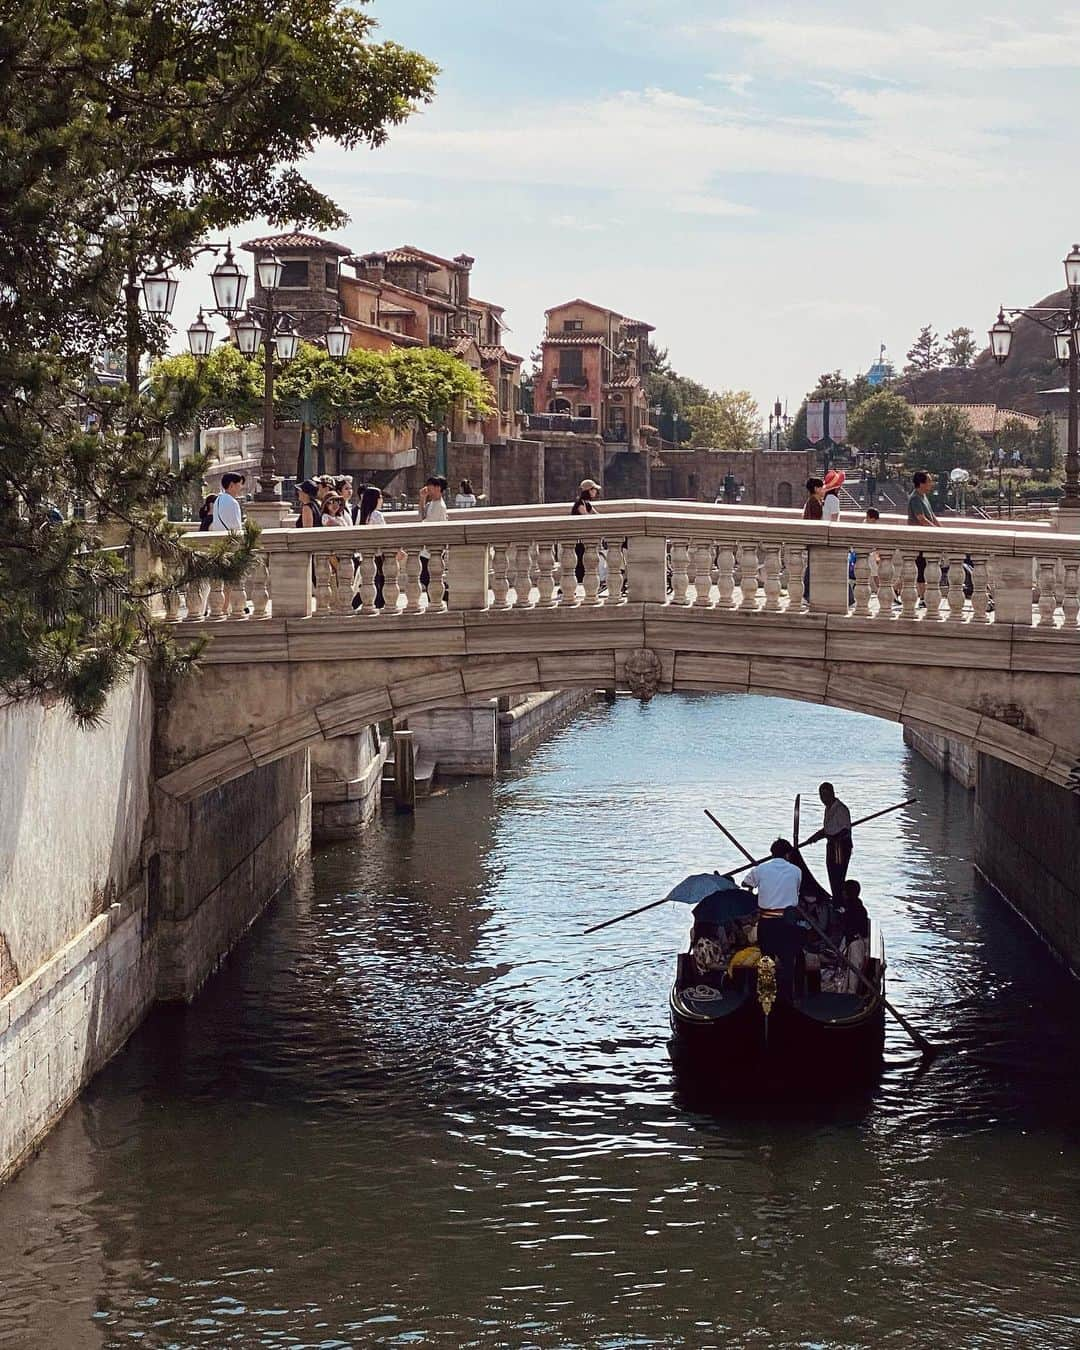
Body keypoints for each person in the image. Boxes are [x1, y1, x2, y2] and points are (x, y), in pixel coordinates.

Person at [743, 838, 805, 1000]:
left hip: (767, 922)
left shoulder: (760, 869)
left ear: (772, 853)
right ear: (787, 854)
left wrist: (755, 895)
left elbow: (745, 883)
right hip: (788, 923)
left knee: (767, 959)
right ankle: (788, 996)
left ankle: (766, 996)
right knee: (787, 960)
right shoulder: (796, 871)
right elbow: (795, 890)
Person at [806, 782, 853, 901]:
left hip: (840, 847)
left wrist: (830, 837)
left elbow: (845, 831)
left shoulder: (841, 809)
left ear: (832, 793)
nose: (823, 799)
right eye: (821, 796)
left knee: (838, 875)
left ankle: (840, 901)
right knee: (832, 874)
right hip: (832, 845)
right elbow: (828, 829)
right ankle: (836, 898)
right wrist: (815, 837)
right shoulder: (828, 809)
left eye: (825, 795)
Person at [352, 486, 389, 609]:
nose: (382, 500)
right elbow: (385, 536)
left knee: (368, 583)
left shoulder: (361, 514)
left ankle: (353, 605)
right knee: (379, 585)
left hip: (366, 555)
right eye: (381, 497)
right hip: (378, 556)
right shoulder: (377, 515)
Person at [907, 470, 939, 605]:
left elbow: (932, 516)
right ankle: (923, 597)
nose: (931, 484)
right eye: (929, 481)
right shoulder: (915, 498)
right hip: (918, 537)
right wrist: (935, 530)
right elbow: (921, 519)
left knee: (918, 566)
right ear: (921, 483)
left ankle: (896, 588)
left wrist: (941, 529)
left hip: (926, 537)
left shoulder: (924, 497)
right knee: (920, 567)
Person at [838, 880, 870, 994]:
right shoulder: (858, 907)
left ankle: (851, 993)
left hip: (856, 942)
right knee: (852, 969)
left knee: (853, 970)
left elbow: (853, 927)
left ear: (846, 893)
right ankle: (848, 991)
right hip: (854, 941)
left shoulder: (853, 908)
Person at [418, 474, 449, 591]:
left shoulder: (440, 506)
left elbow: (425, 522)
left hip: (433, 548)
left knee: (428, 578)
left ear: (438, 488)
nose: (428, 489)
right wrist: (422, 498)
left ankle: (447, 595)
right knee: (430, 578)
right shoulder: (431, 504)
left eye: (430, 487)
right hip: (427, 549)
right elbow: (421, 516)